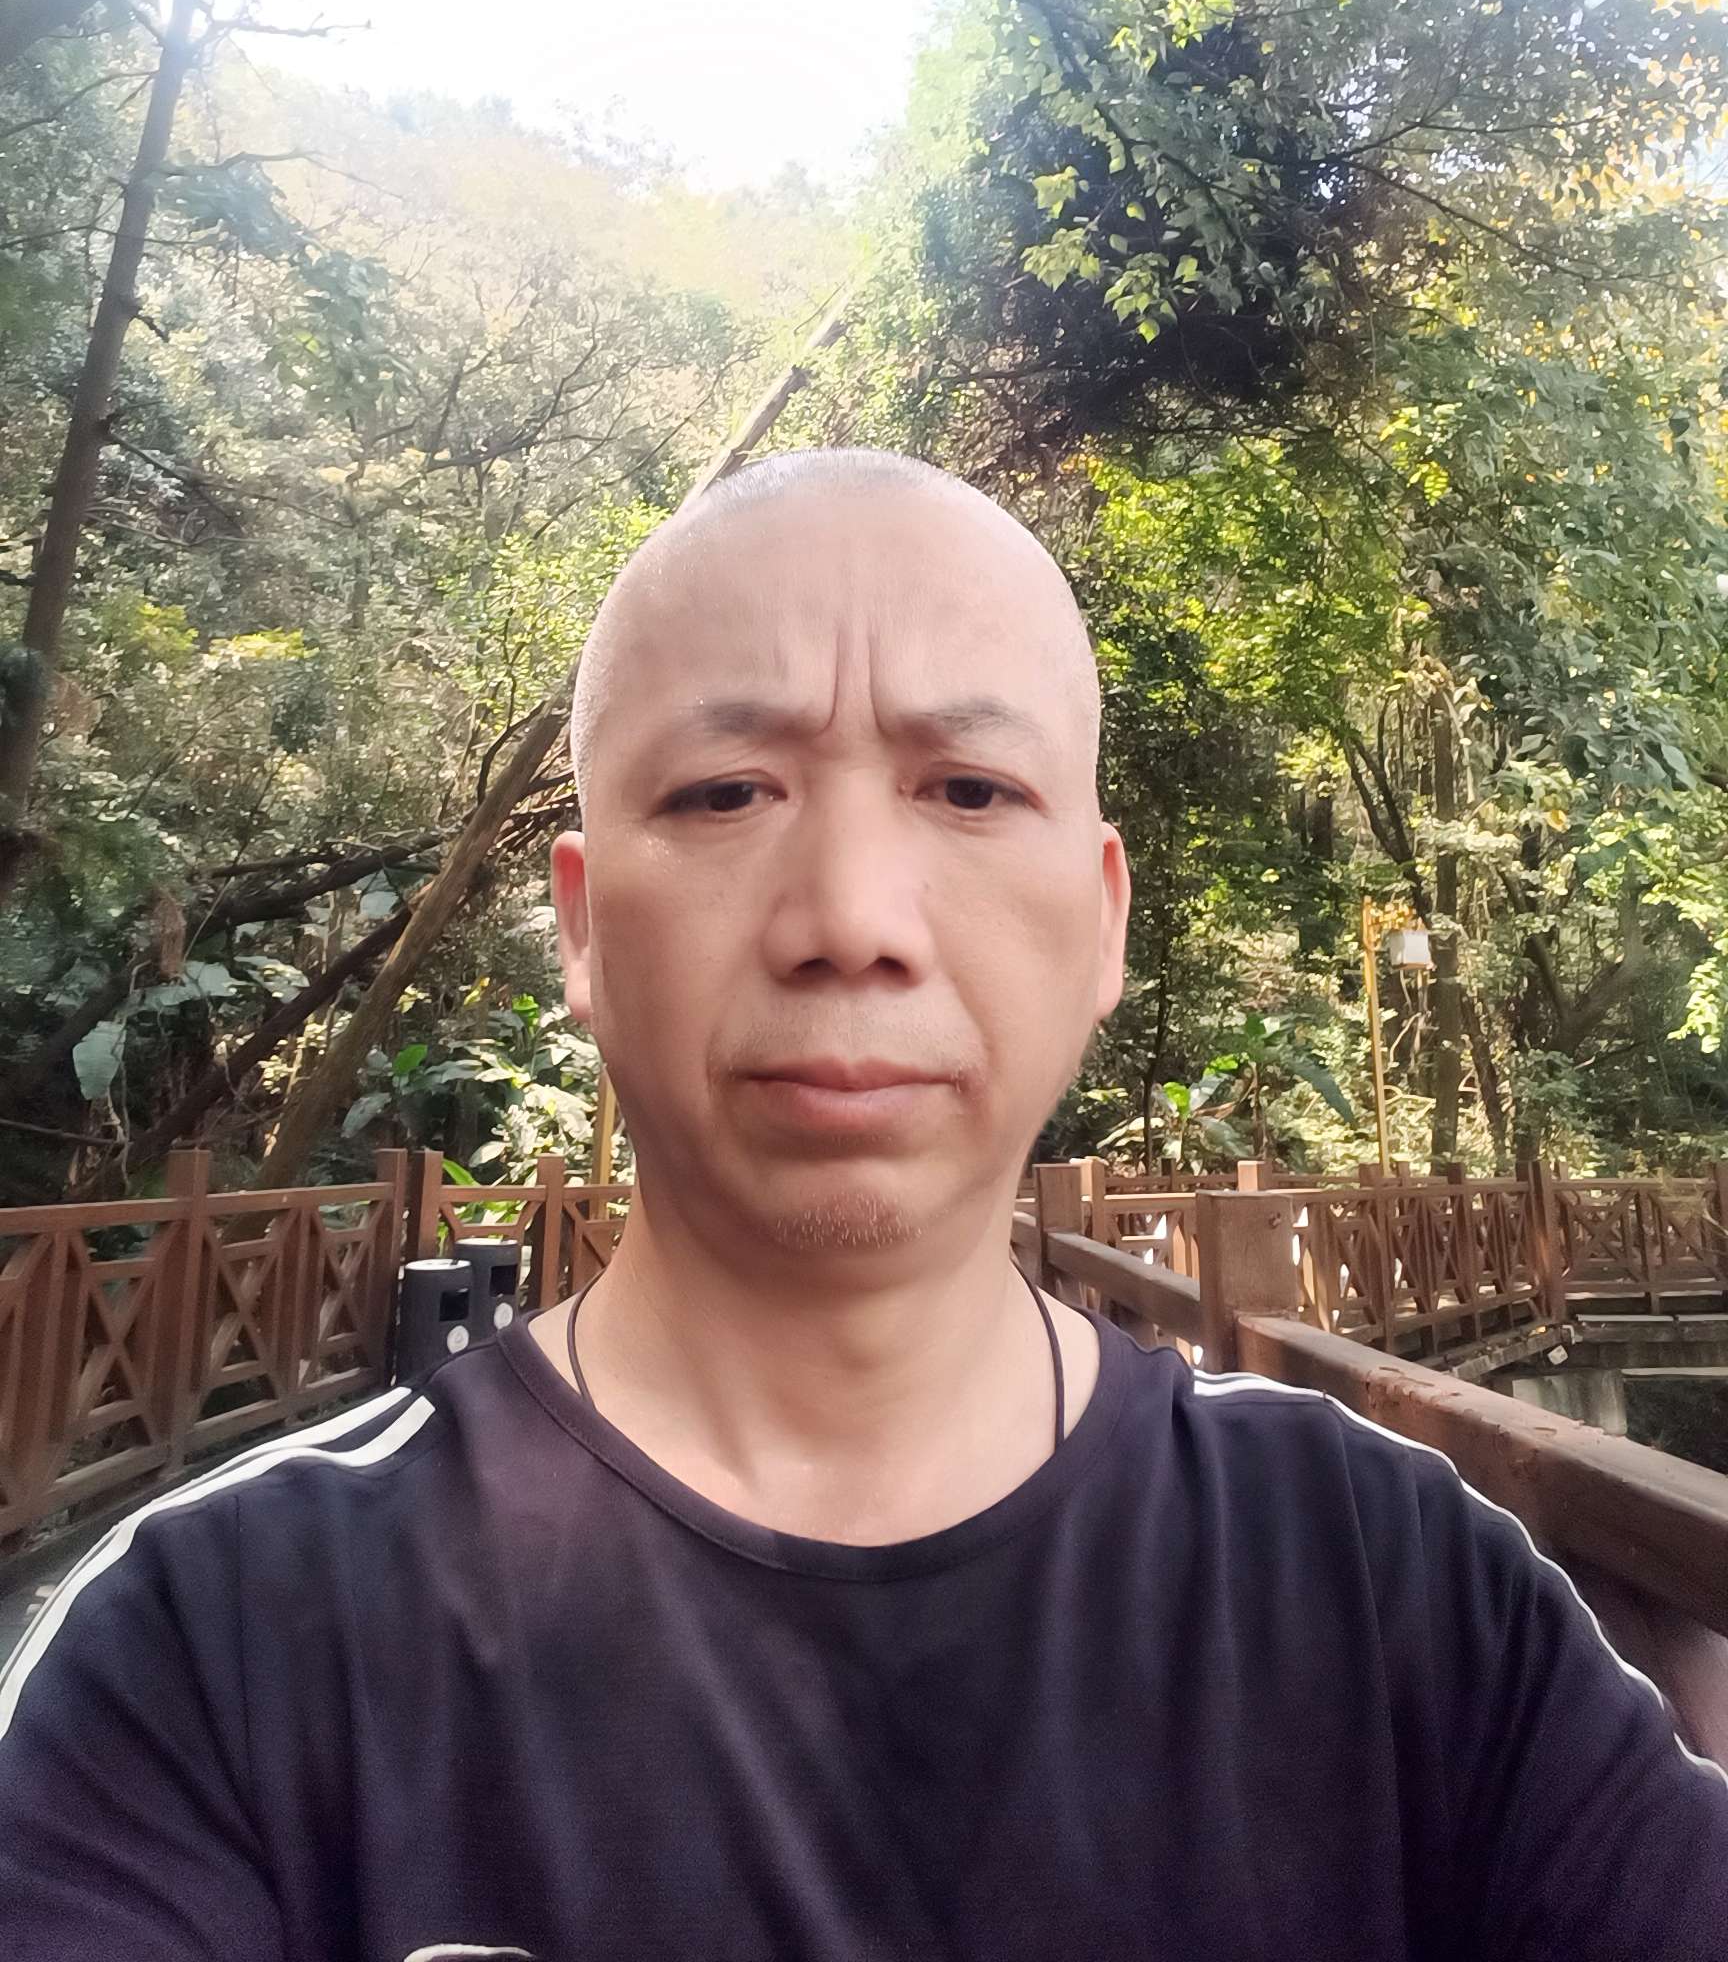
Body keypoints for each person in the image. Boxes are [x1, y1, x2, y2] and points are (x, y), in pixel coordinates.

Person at [2, 449, 1725, 1962]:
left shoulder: (1389, 1579)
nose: (851, 920)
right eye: (726, 793)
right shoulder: (214, 1645)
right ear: (583, 928)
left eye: (969, 791)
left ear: (1104, 920)